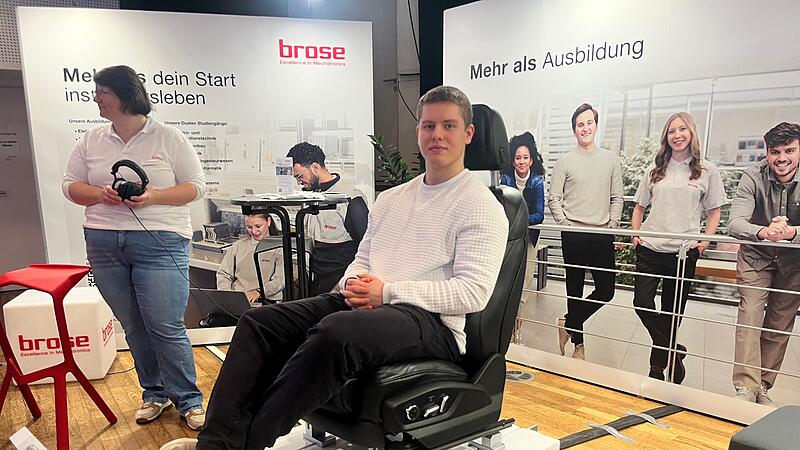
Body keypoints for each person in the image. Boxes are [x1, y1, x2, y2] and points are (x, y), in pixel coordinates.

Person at [160, 85, 508, 450]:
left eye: (449, 126)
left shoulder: (480, 206)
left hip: (432, 322)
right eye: (428, 126)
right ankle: (215, 444)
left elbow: (473, 292)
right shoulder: (391, 199)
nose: (437, 134)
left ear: (468, 133)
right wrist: (353, 285)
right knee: (259, 322)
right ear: (418, 131)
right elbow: (363, 256)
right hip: (373, 305)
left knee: (335, 331)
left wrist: (386, 291)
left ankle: (244, 445)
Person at [62, 66, 206, 429]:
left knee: (165, 324)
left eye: (102, 91)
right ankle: (154, 394)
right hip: (103, 241)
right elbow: (69, 186)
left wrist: (154, 195)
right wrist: (101, 194)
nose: (95, 98)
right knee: (133, 325)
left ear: (124, 95)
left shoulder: (169, 138)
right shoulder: (90, 139)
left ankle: (188, 400)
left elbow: (196, 187)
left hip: (161, 241)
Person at [631, 112, 725, 383]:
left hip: (683, 253)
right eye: (672, 131)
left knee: (672, 313)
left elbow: (715, 211)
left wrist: (704, 240)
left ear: (692, 133)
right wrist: (636, 234)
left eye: (683, 129)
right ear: (666, 137)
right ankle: (674, 351)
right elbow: (639, 207)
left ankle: (656, 368)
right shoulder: (655, 168)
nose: (677, 135)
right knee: (642, 303)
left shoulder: (707, 170)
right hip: (650, 248)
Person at [729, 121, 800, 406]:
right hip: (756, 257)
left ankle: (763, 388)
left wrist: (792, 232)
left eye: (789, 150)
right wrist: (764, 232)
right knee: (750, 317)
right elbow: (735, 223)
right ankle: (745, 389)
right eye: (775, 151)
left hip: (794, 263)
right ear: (767, 151)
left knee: (780, 325)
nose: (781, 158)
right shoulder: (752, 176)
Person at [548, 103, 623, 360]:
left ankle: (568, 322)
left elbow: (618, 197)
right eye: (580, 124)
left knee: (606, 290)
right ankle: (578, 346)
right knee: (574, 289)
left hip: (601, 233)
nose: (585, 128)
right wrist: (565, 224)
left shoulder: (610, 159)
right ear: (574, 130)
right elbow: (554, 198)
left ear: (596, 125)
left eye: (589, 122)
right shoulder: (565, 161)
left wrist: (612, 226)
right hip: (574, 234)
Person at [287, 142, 369, 295]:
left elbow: (367, 246)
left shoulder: (349, 198)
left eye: (300, 176)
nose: (299, 182)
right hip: (315, 281)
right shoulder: (309, 197)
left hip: (341, 284)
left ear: (315, 168)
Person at [216, 214, 284, 303]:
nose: (254, 231)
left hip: (266, 301)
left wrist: (258, 292)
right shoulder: (239, 246)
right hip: (239, 299)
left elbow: (279, 281)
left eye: (258, 226)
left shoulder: (280, 247)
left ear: (269, 221)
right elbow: (223, 274)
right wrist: (228, 296)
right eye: (249, 227)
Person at [499, 131, 545, 246]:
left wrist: (520, 220)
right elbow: (502, 211)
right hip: (508, 234)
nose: (522, 162)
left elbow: (540, 215)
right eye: (518, 158)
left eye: (525, 158)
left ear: (531, 161)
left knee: (529, 263)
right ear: (513, 162)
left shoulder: (537, 182)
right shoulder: (506, 180)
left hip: (530, 234)